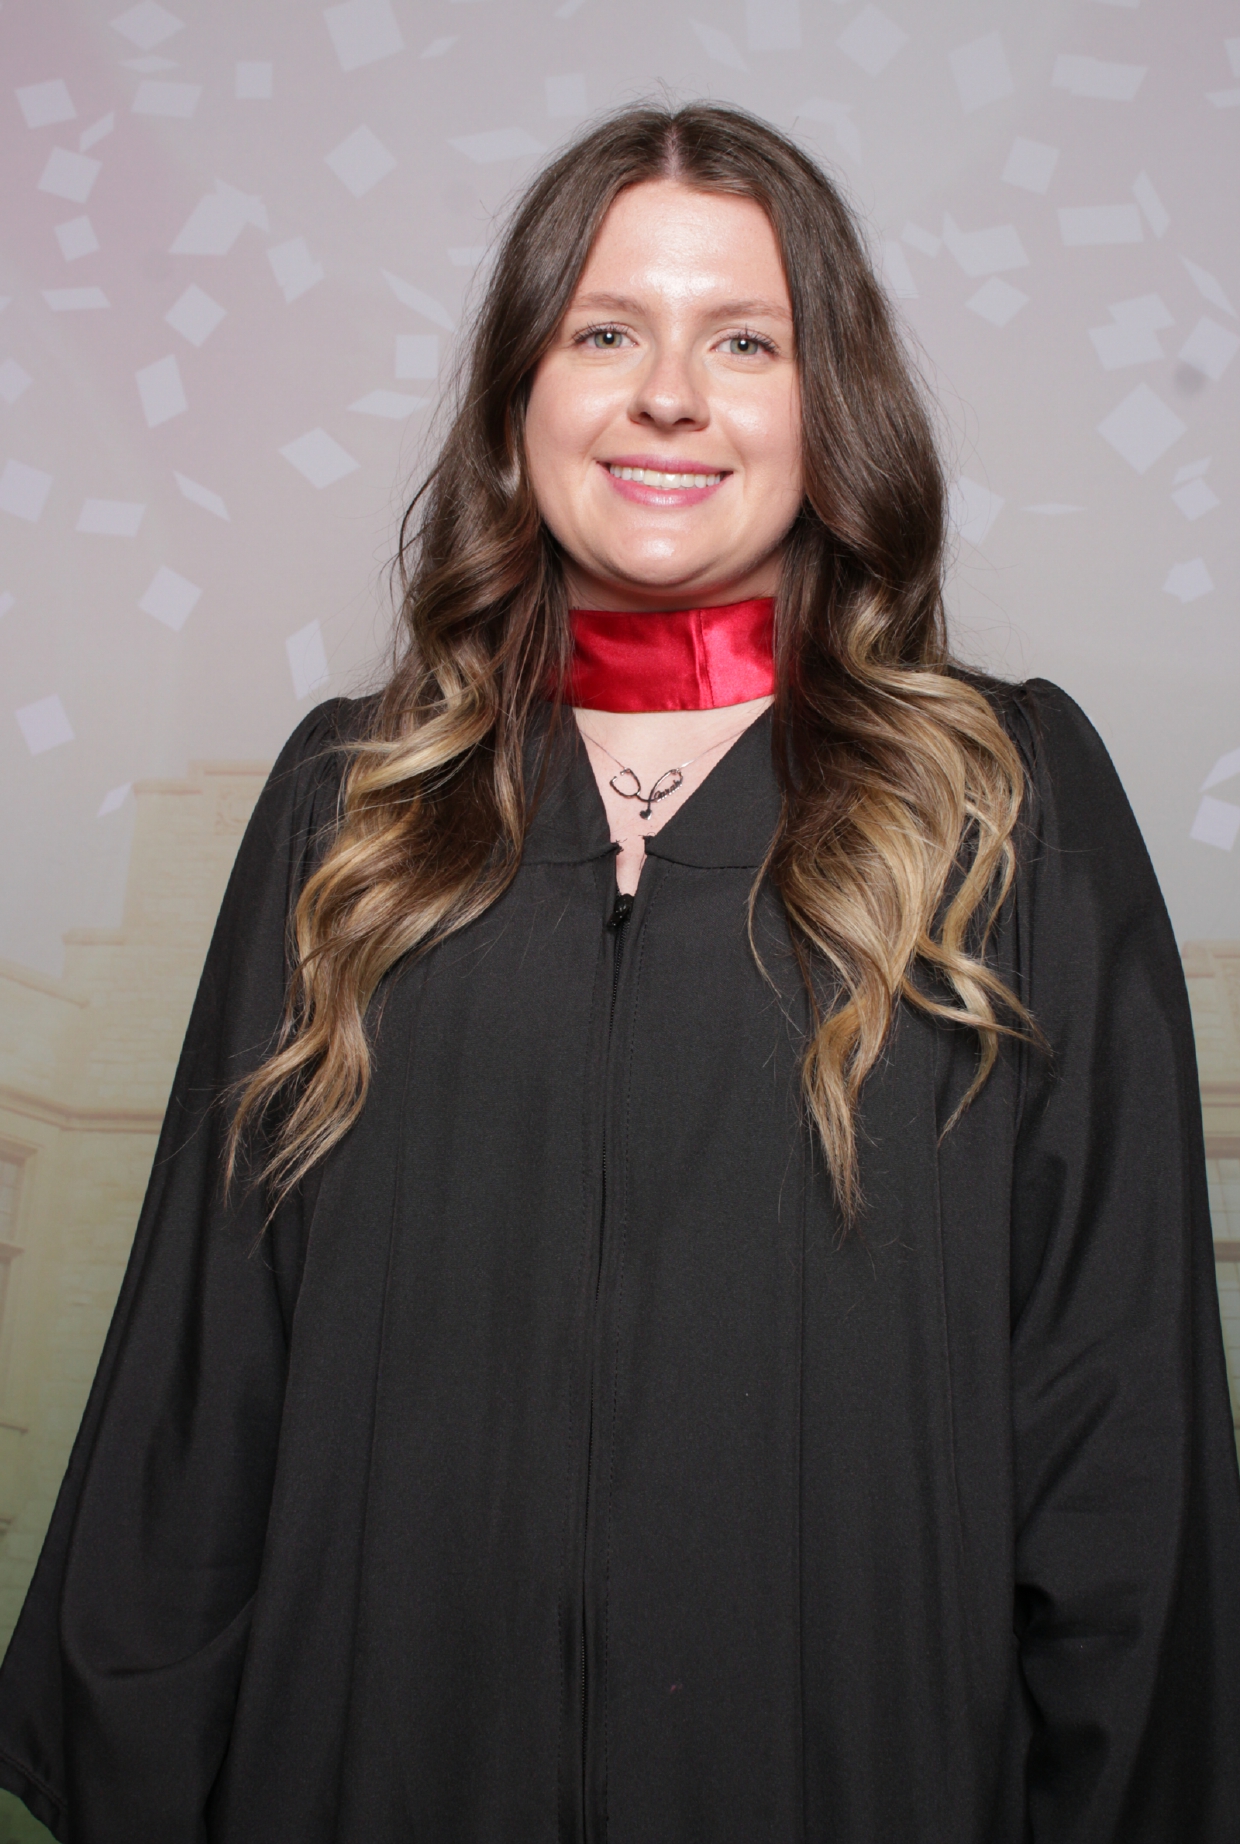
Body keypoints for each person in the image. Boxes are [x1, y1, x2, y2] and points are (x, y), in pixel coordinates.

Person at [0, 101, 1237, 1844]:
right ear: (523, 395)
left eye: (744, 340)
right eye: (604, 333)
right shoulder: (354, 814)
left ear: (830, 405)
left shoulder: (999, 809)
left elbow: (1119, 1419)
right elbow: (203, 1393)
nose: (670, 395)